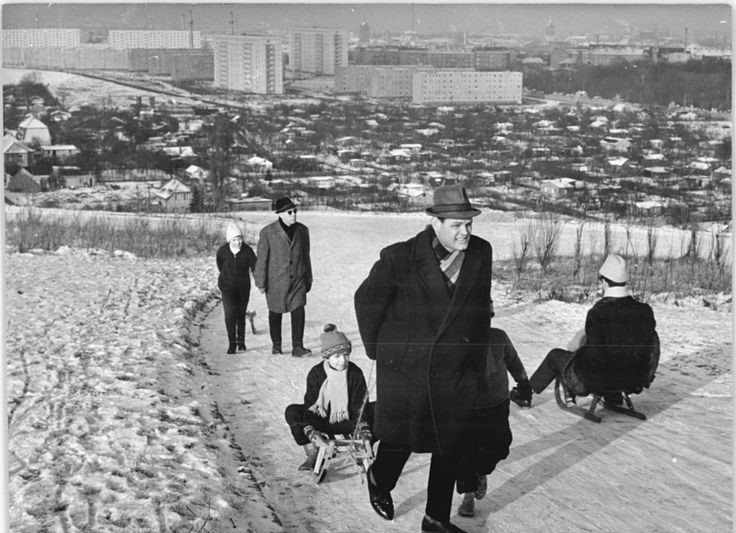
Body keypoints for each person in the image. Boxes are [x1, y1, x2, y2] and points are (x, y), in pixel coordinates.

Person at [354, 185, 493, 533]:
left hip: (455, 369)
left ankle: (435, 519)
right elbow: (366, 302)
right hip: (408, 370)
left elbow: (479, 313)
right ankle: (379, 479)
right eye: (456, 225)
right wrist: (382, 353)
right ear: (435, 222)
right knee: (402, 440)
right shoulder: (400, 258)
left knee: (449, 443)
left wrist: (476, 365)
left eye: (469, 224)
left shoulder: (480, 254)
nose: (465, 232)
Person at [513, 254, 658, 407]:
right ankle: (613, 395)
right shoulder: (644, 311)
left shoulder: (599, 312)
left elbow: (593, 356)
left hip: (599, 381)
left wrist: (576, 352)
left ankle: (525, 394)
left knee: (555, 355)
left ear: (604, 282)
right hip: (632, 380)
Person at [455, 327, 530, 518]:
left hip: (496, 403)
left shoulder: (498, 336)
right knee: (467, 453)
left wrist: (523, 383)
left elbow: (513, 361)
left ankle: (482, 470)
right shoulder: (456, 338)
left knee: (501, 445)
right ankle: (468, 497)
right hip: (467, 405)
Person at [284, 323, 375, 471]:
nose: (343, 360)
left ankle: (364, 450)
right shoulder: (317, 374)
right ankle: (312, 451)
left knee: (379, 409)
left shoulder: (355, 373)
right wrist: (312, 432)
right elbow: (311, 405)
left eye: (346, 355)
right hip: (322, 421)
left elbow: (360, 404)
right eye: (337, 356)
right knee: (292, 411)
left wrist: (363, 428)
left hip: (350, 420)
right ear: (327, 356)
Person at [255, 197, 313, 357]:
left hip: (298, 280)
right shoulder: (267, 233)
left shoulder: (303, 230)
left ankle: (298, 347)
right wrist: (260, 281)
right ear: (280, 214)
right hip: (276, 281)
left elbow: (306, 256)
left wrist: (308, 277)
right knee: (275, 312)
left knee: (299, 310)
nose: (294, 214)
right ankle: (277, 345)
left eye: (295, 211)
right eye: (290, 212)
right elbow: (262, 259)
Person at [216, 221, 257, 354]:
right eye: (234, 239)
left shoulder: (247, 251)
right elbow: (220, 265)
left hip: (243, 287)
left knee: (240, 314)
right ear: (229, 240)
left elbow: (255, 267)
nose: (238, 242)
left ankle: (241, 341)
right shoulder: (223, 251)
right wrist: (226, 278)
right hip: (227, 286)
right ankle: (232, 344)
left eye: (240, 239)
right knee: (229, 314)